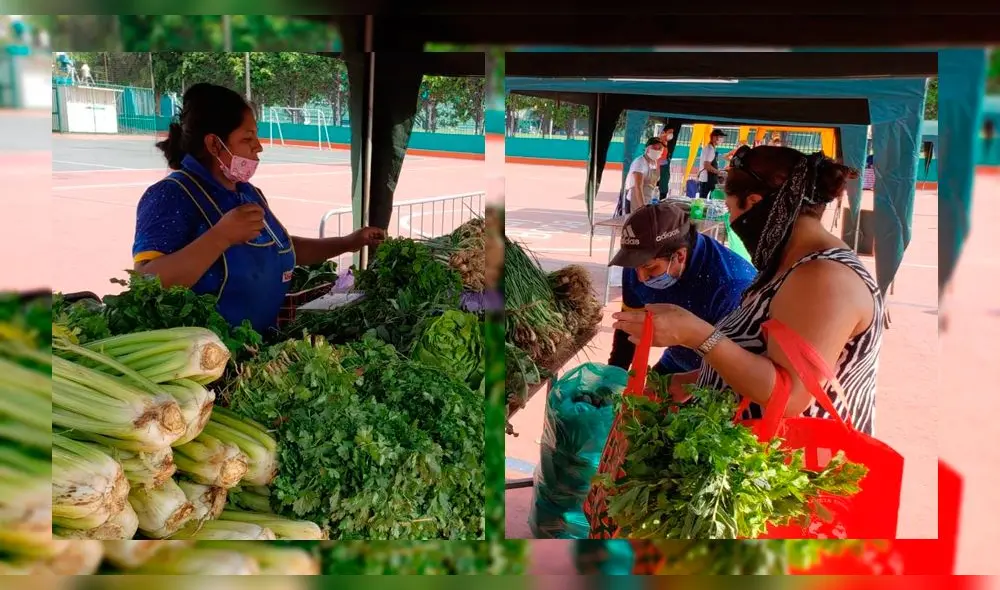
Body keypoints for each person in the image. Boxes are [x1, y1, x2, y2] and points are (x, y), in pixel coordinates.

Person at [613, 145, 882, 435]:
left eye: (730, 209)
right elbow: (760, 357)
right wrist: (689, 380)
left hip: (795, 464)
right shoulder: (787, 266)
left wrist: (697, 335)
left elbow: (790, 396)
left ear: (753, 203)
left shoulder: (823, 278)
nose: (730, 221)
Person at [132, 82, 384, 336]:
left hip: (258, 349)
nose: (259, 147)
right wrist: (220, 237)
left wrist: (348, 242)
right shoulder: (172, 195)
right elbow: (146, 282)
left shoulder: (247, 192)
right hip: (203, 362)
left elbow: (284, 248)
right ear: (215, 145)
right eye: (247, 138)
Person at [608, 202, 757, 376]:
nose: (641, 277)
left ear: (679, 255)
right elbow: (628, 329)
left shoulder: (731, 285)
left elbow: (742, 366)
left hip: (722, 372)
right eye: (635, 267)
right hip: (676, 358)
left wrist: (687, 382)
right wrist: (611, 380)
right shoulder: (639, 264)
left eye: (649, 267)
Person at [616, 137, 664, 216]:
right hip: (636, 202)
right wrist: (642, 207)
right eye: (654, 147)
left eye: (660, 148)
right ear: (647, 148)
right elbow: (638, 186)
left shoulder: (654, 162)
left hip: (648, 201)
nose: (657, 150)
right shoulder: (639, 163)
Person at [697, 129, 726, 199]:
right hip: (707, 179)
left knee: (706, 199)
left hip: (708, 179)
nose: (722, 139)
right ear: (714, 137)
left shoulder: (710, 148)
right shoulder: (710, 149)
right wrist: (719, 172)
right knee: (703, 199)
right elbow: (707, 166)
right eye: (720, 137)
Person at [656, 127, 676, 199]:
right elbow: (657, 160)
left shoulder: (665, 143)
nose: (671, 134)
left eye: (672, 133)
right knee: (659, 192)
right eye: (670, 132)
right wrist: (666, 161)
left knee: (663, 191)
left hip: (664, 171)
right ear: (663, 133)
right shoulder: (658, 144)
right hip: (659, 170)